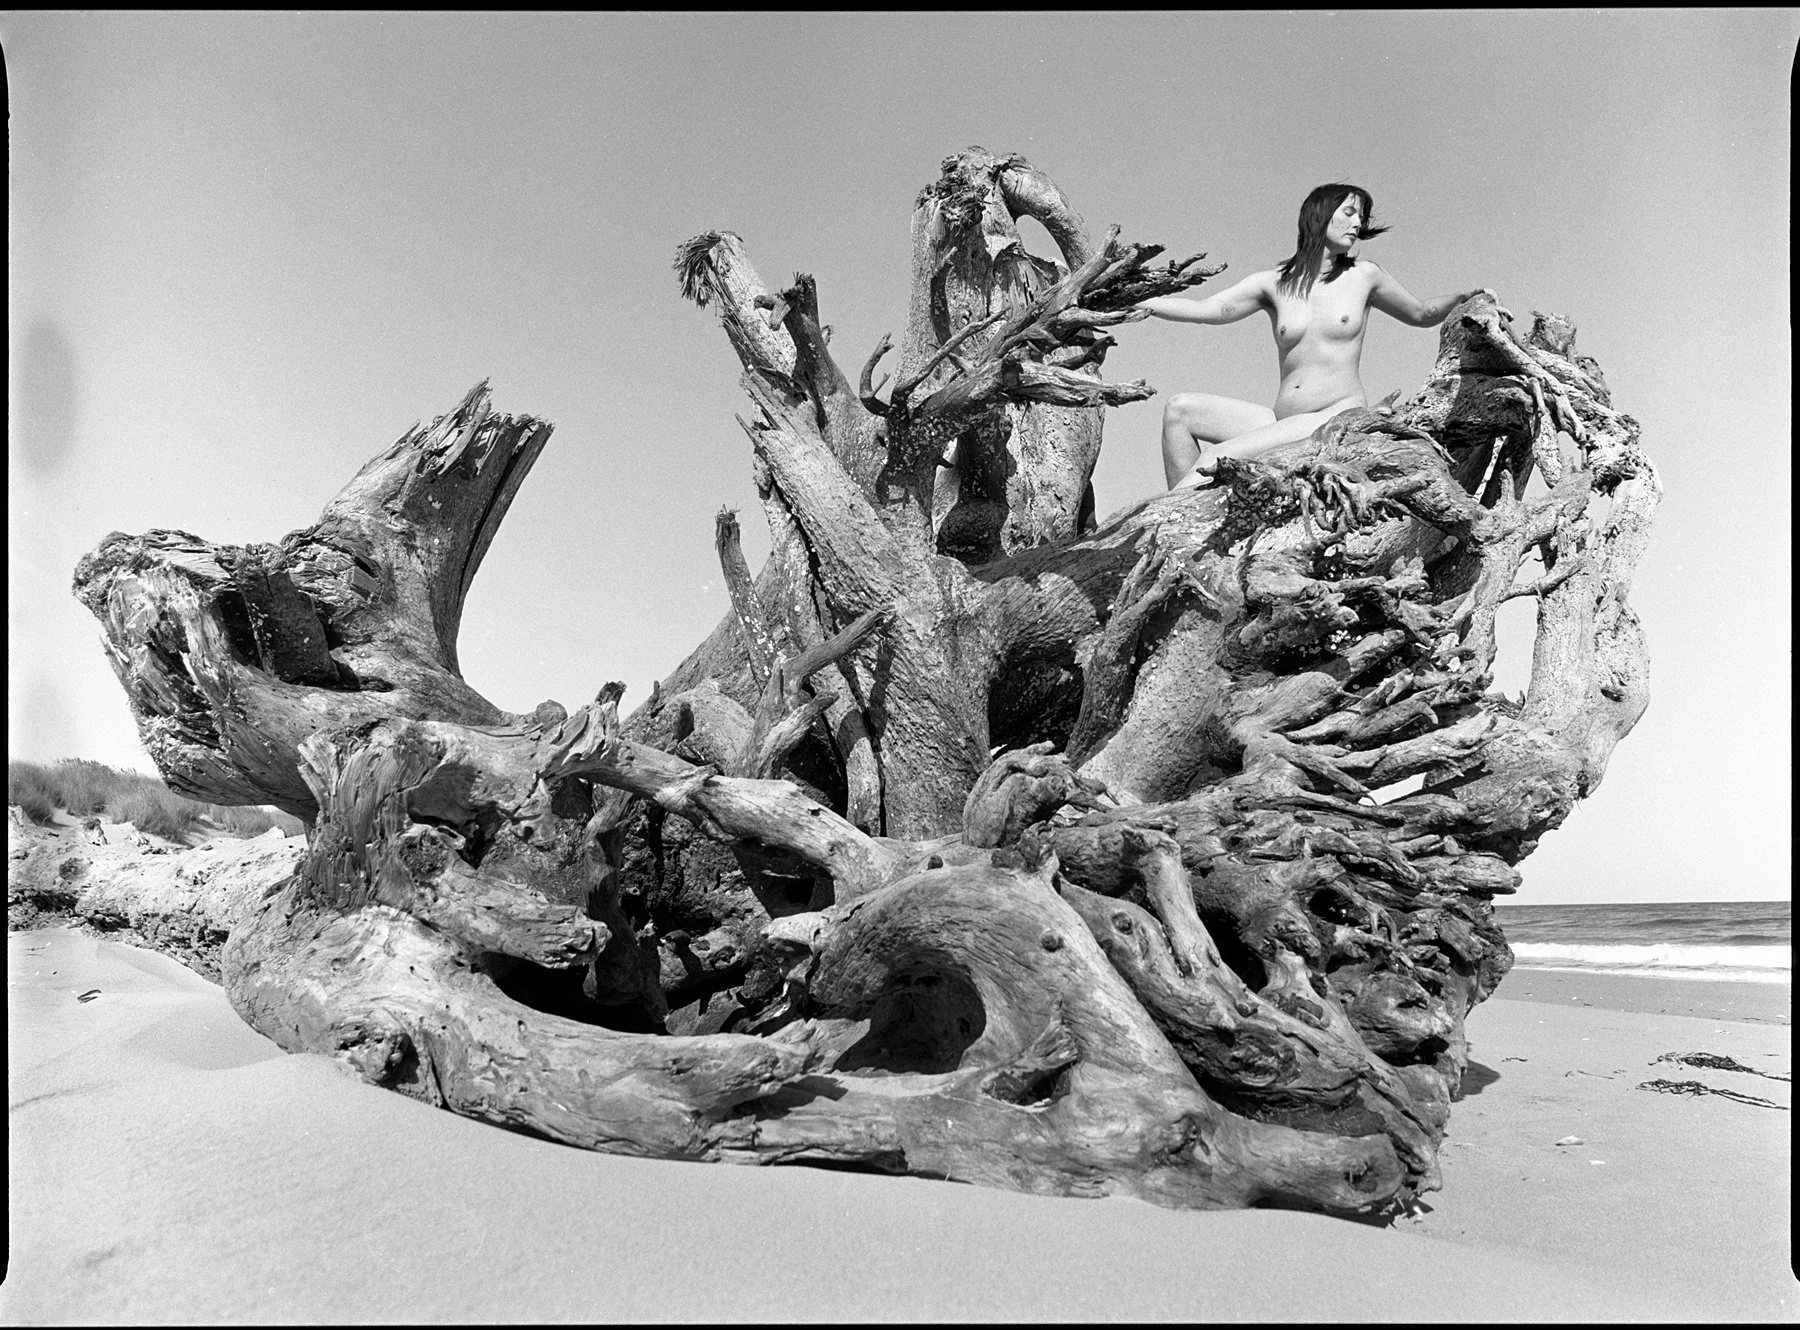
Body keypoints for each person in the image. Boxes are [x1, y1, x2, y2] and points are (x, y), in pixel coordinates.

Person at [1137, 184, 1489, 489]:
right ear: (1319, 216)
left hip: (1334, 417)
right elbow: (1210, 309)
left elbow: (1421, 313)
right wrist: (1141, 301)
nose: (1358, 224)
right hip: (1281, 422)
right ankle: (1184, 525)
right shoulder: (1272, 282)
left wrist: (1462, 298)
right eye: (1349, 213)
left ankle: (1156, 529)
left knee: (1218, 456)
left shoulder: (1365, 276)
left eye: (1361, 217)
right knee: (1179, 411)